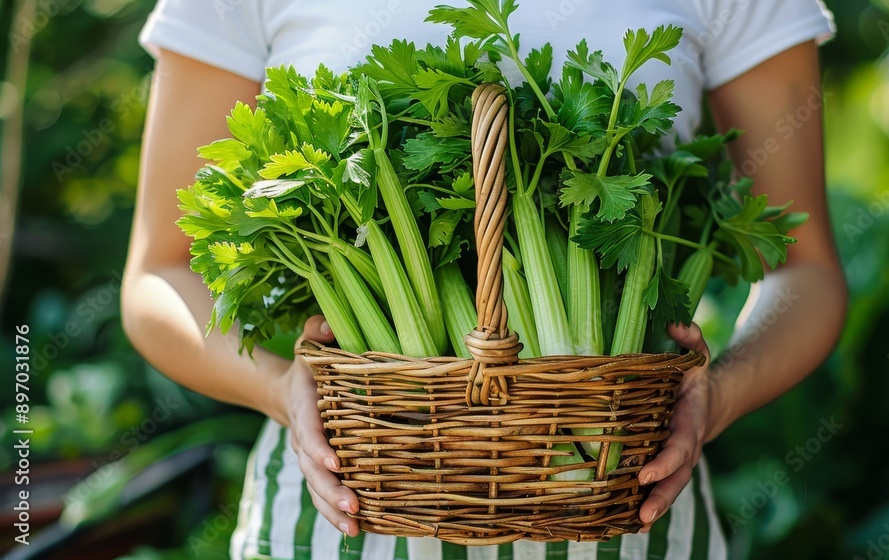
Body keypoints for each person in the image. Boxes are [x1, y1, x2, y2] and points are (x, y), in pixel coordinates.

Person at [121, 1, 847, 558]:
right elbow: (158, 274)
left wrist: (719, 394)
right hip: (348, 506)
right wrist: (279, 389)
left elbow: (804, 268)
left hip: (625, 494)